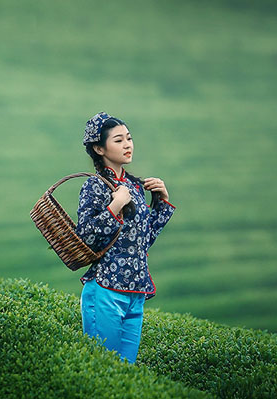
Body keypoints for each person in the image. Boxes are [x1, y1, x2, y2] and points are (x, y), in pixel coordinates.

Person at [74, 112, 175, 364]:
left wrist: (161, 202)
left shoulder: (135, 187)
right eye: (118, 141)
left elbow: (142, 241)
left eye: (129, 138)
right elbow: (85, 236)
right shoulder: (94, 186)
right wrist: (114, 206)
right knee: (104, 368)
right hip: (106, 288)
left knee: (126, 371)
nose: (128, 145)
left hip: (135, 291)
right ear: (99, 148)